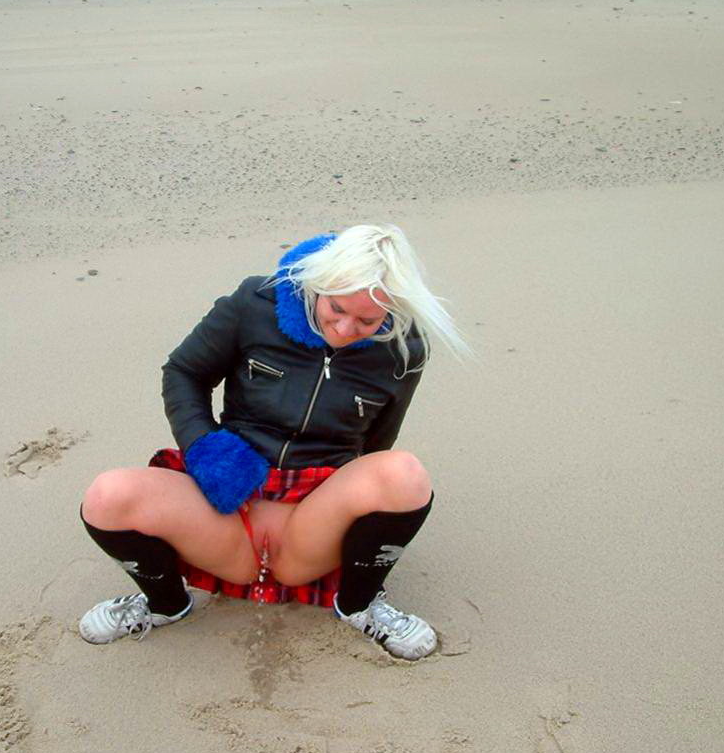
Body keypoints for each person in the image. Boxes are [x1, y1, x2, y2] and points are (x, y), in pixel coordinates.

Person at [77, 224, 467, 660]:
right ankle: (165, 604)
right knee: (107, 497)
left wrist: (358, 519)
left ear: (391, 309)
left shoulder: (405, 348)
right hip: (230, 498)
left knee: (404, 476)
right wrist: (204, 448)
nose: (343, 327)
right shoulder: (254, 302)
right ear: (318, 284)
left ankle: (358, 602)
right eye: (335, 308)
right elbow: (184, 372)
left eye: (367, 320)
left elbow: (377, 443)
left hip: (313, 520)